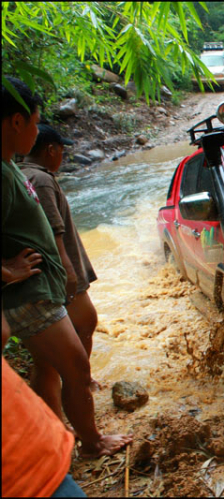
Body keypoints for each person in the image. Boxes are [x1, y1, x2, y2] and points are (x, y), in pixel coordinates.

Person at [2, 76, 133, 458]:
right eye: (34, 121)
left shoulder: (10, 165)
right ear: (15, 122)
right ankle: (92, 443)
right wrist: (8, 271)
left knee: (52, 367)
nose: (36, 131)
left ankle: (55, 435)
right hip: (30, 296)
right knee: (76, 370)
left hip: (34, 293)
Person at [19, 124, 101, 392]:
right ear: (51, 149)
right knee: (85, 322)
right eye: (62, 151)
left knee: (47, 357)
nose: (62, 157)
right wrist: (68, 269)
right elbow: (54, 229)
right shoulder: (40, 180)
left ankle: (71, 386)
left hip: (46, 275)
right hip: (59, 272)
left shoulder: (22, 174)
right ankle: (78, 383)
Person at [2, 311, 87, 497]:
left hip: (36, 459)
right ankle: (92, 442)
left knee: (50, 364)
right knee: (68, 366)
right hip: (30, 473)